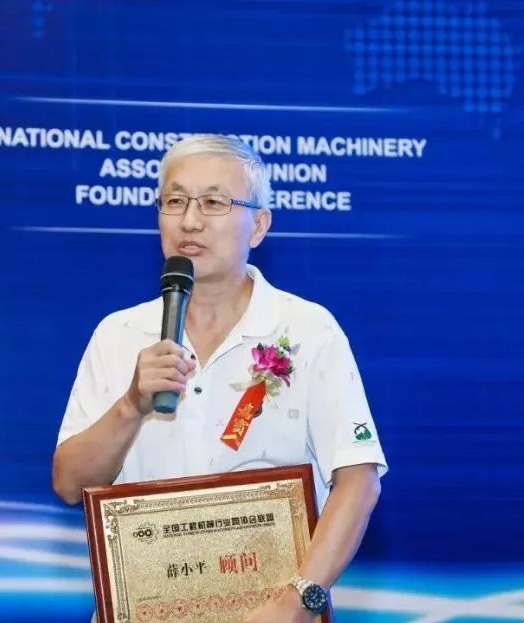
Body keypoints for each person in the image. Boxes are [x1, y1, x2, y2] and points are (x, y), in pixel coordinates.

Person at [52, 134, 387, 622]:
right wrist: (131, 405)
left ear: (259, 226)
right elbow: (69, 483)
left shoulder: (308, 329)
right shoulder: (119, 334)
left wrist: (299, 599)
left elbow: (358, 480)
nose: (190, 220)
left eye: (213, 202)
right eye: (175, 201)